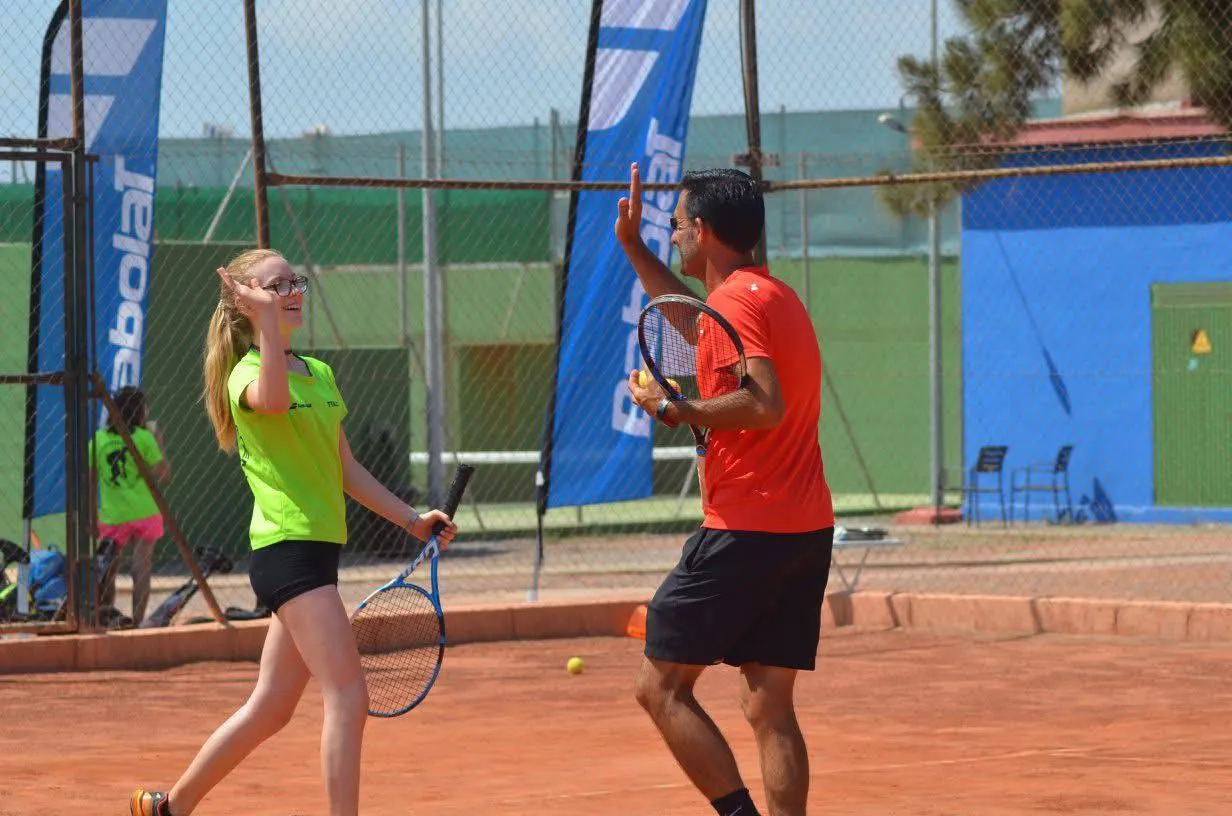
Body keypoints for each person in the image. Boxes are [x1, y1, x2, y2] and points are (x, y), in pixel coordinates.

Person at [129, 248, 458, 816]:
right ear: (248, 302)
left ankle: (169, 807)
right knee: (349, 695)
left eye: (295, 282)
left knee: (272, 708)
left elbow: (344, 467)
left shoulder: (321, 374)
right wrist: (268, 325)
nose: (294, 291)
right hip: (288, 554)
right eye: (277, 286)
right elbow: (275, 404)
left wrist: (411, 518)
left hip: (316, 554)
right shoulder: (248, 374)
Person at [619, 164, 835, 816]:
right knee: (769, 705)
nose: (676, 234)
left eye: (680, 224)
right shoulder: (769, 297)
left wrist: (679, 412)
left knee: (659, 688)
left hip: (745, 530)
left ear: (705, 230)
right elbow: (693, 327)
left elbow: (763, 404)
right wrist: (635, 249)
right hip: (805, 531)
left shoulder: (737, 303)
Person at [89, 385, 171, 628]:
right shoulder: (144, 437)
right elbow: (164, 474)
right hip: (146, 512)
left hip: (114, 516)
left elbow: (90, 480)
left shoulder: (99, 440)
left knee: (108, 570)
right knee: (141, 568)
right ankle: (136, 623)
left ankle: (106, 617)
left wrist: (92, 515)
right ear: (139, 411)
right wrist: (158, 440)